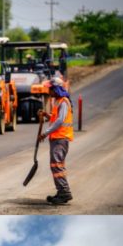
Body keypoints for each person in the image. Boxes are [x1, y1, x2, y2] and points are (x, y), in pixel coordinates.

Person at [38, 77, 74, 205]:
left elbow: (60, 121)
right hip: (57, 139)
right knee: (56, 166)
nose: (48, 91)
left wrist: (45, 133)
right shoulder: (58, 101)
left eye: (50, 89)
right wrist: (46, 115)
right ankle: (61, 191)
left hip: (60, 139)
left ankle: (64, 192)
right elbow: (55, 119)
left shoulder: (63, 102)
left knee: (57, 165)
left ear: (56, 89)